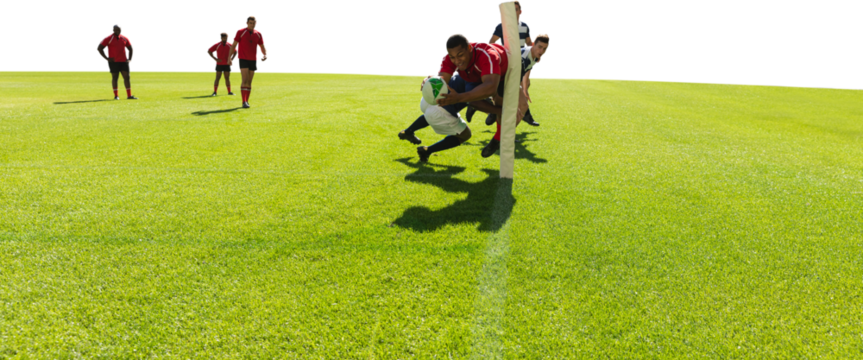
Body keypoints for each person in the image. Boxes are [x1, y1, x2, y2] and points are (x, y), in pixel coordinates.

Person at [434, 33, 529, 158]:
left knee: (515, 105)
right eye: (453, 57)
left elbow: (490, 87)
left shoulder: (487, 54)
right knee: (474, 100)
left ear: (469, 48)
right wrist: (430, 83)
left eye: (460, 55)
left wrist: (459, 98)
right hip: (478, 76)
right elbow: (441, 80)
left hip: (504, 73)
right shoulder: (450, 58)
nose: (457, 61)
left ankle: (497, 138)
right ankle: (491, 110)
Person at [465, 1, 539, 126]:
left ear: (521, 11)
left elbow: (528, 43)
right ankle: (494, 111)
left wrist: (531, 56)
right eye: (512, 9)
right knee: (507, 91)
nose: (514, 12)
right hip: (506, 63)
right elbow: (491, 42)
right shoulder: (501, 26)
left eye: (517, 9)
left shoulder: (526, 26)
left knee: (519, 89)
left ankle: (495, 111)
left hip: (520, 63)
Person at [398, 93, 472, 162]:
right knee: (465, 135)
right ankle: (427, 150)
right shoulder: (476, 80)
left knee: (432, 112)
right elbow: (475, 101)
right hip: (443, 107)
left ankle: (407, 132)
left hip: (428, 97)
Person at [227, 15, 268, 108]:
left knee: (249, 81)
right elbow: (233, 46)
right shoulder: (240, 32)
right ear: (246, 23)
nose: (253, 25)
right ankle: (244, 101)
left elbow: (263, 46)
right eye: (251, 23)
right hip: (242, 58)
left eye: (255, 23)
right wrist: (230, 58)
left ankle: (247, 101)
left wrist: (266, 55)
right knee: (244, 79)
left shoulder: (259, 33)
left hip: (254, 59)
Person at [95, 23, 136, 100]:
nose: (119, 31)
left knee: (127, 77)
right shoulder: (108, 38)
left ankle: (129, 95)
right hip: (113, 62)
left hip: (124, 61)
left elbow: (131, 48)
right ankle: (116, 95)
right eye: (117, 29)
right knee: (115, 77)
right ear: (112, 30)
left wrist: (130, 58)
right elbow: (99, 48)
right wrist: (106, 58)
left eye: (120, 29)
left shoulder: (125, 38)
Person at [206, 31, 237, 96]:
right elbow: (208, 51)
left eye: (225, 37)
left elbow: (236, 52)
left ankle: (229, 91)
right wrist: (214, 58)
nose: (224, 39)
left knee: (227, 78)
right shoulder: (217, 44)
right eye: (222, 38)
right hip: (218, 64)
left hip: (227, 64)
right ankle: (215, 92)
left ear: (227, 37)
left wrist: (231, 59)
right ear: (220, 38)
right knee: (217, 77)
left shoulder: (230, 45)